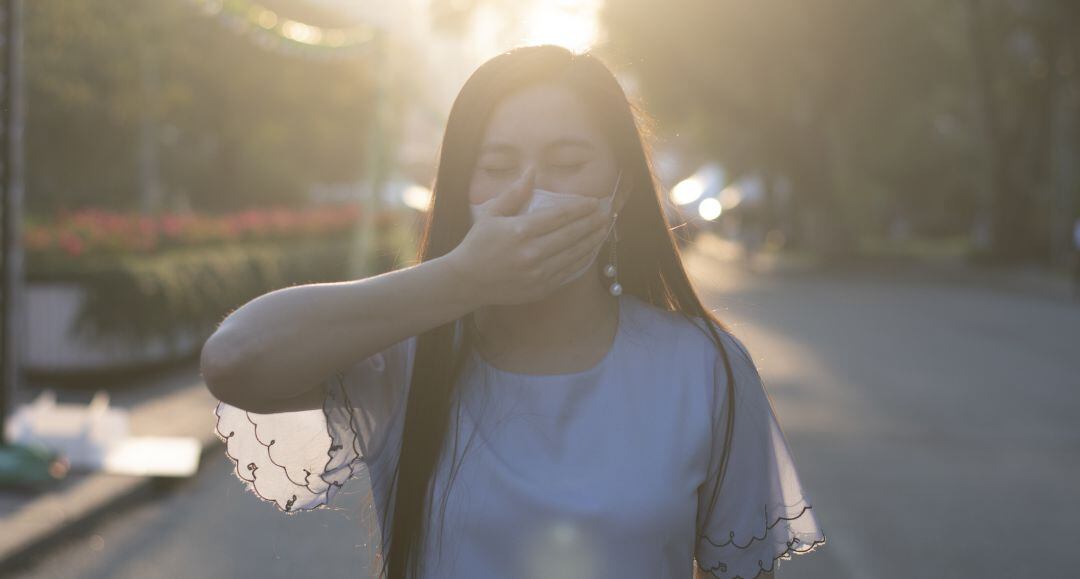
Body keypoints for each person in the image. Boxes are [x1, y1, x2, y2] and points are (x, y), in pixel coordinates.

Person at [202, 45, 826, 579]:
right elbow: (235, 360)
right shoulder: (407, 354)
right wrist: (461, 279)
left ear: (621, 189)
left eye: (567, 163)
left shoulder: (705, 368)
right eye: (497, 167)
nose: (528, 192)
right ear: (460, 189)